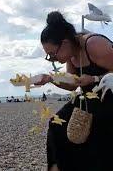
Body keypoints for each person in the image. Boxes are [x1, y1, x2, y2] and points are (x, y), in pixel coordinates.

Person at [38, 11, 113, 170]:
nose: (53, 59)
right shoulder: (71, 55)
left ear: (64, 43)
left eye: (52, 54)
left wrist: (94, 79)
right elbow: (72, 85)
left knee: (98, 132)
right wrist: (50, 79)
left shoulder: (93, 44)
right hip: (89, 98)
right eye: (49, 57)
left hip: (109, 95)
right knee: (57, 124)